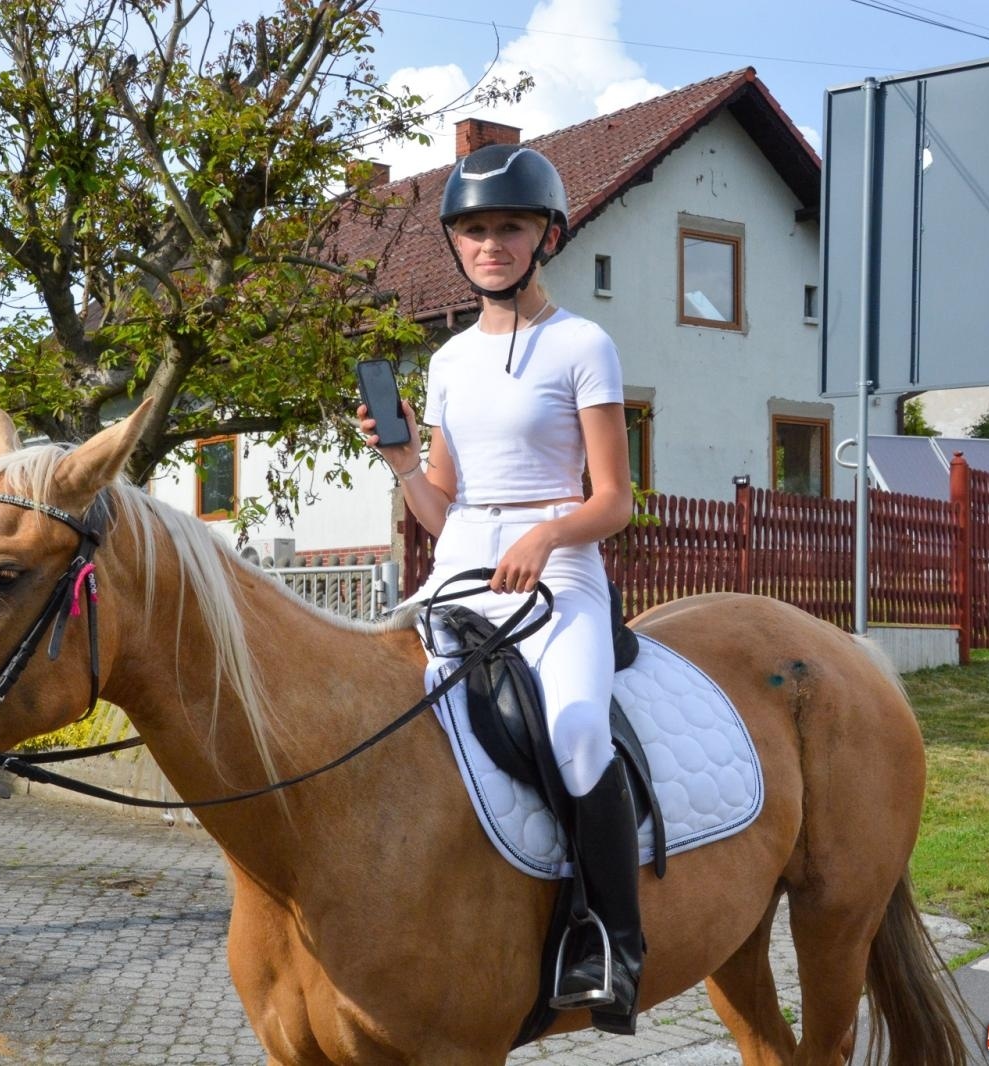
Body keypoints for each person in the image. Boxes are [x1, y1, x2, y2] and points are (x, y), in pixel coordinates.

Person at [358, 143, 642, 1033]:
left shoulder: (582, 344)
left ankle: (610, 942)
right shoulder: (446, 363)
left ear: (545, 235)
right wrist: (403, 460)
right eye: (474, 230)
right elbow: (443, 511)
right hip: (462, 566)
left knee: (577, 730)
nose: (490, 244)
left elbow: (616, 501)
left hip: (560, 569)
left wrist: (549, 533)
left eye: (508, 227)